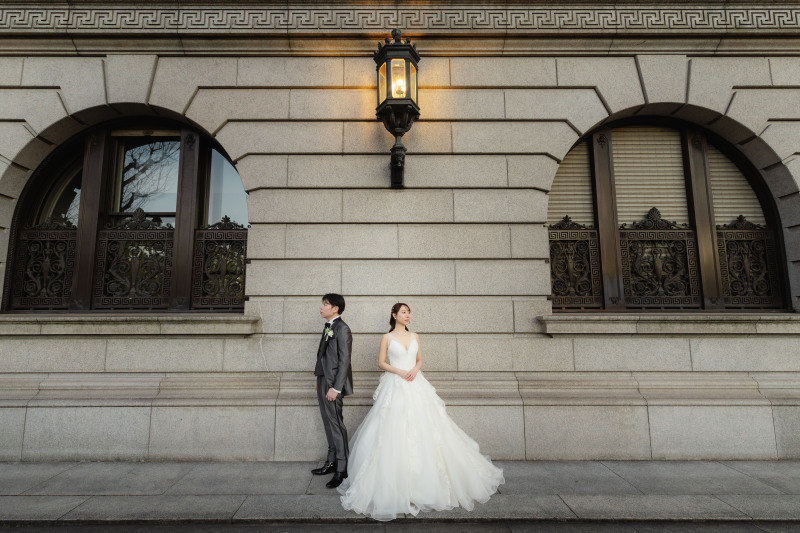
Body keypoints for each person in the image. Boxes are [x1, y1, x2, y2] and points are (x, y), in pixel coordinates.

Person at [338, 303, 504, 521]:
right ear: (394, 315)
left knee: (429, 427)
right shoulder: (387, 337)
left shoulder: (415, 335)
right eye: (404, 312)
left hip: (416, 383)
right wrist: (399, 371)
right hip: (396, 384)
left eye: (409, 312)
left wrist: (415, 370)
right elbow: (381, 362)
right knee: (392, 428)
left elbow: (419, 359)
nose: (408, 315)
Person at [311, 293, 353, 489]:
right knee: (328, 423)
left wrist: (336, 388)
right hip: (323, 381)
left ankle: (342, 469)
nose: (321, 307)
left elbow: (344, 361)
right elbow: (323, 355)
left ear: (335, 308)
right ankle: (331, 461)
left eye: (325, 304)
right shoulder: (328, 327)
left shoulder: (342, 329)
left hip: (333, 386)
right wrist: (319, 378)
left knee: (336, 424)